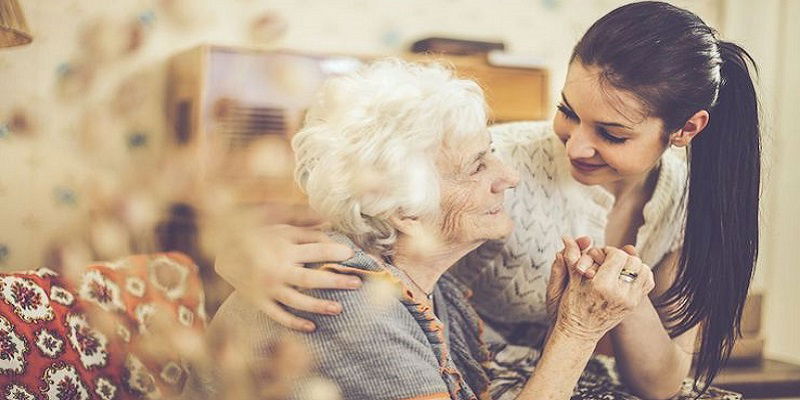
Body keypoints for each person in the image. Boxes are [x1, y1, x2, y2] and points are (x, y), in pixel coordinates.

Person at [214, 2, 761, 398]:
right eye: (567, 112)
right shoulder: (360, 299)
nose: (510, 175)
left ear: (686, 130)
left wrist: (614, 299)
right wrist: (236, 255)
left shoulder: (438, 292)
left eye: (612, 133)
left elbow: (664, 381)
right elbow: (352, 214)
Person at [188, 59, 656, 400]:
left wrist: (564, 321)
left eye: (492, 153)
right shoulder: (349, 300)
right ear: (405, 211)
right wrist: (576, 331)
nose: (509, 177)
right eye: (477, 166)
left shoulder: (420, 284)